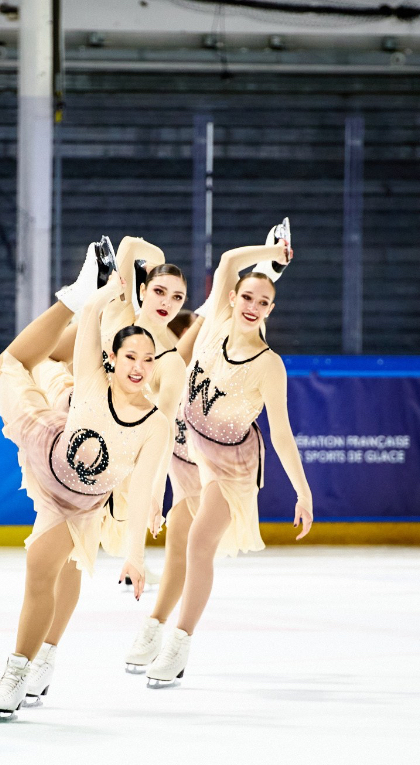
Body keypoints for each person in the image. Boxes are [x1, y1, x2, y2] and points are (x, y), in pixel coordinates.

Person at [0, 242, 173, 720]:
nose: (139, 367)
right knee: (11, 363)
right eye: (130, 357)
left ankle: (26, 665)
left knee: (53, 565)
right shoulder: (93, 372)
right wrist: (100, 290)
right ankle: (30, 665)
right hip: (45, 440)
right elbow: (96, 309)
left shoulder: (156, 423)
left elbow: (141, 488)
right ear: (113, 357)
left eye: (147, 360)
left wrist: (134, 556)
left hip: (79, 500)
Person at [142, 236, 313, 688]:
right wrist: (272, 254)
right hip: (188, 446)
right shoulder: (215, 321)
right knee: (179, 538)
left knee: (200, 542)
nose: (254, 307)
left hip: (232, 463)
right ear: (233, 298)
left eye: (264, 302)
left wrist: (303, 491)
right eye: (248, 298)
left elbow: (281, 433)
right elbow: (229, 260)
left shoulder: (269, 365)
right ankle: (155, 625)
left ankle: (179, 645)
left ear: (271, 309)